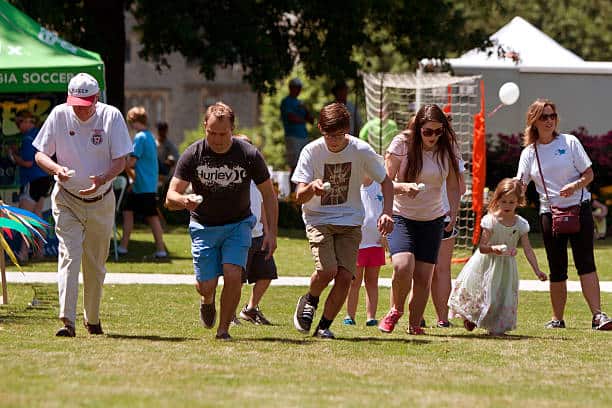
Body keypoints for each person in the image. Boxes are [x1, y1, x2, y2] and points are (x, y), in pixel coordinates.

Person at [165, 102, 278, 340]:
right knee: (206, 285)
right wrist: (185, 201)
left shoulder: (248, 155)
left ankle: (223, 329)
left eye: (223, 134)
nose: (217, 139)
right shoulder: (193, 154)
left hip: (238, 224)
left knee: (233, 273)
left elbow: (269, 194)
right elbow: (170, 197)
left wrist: (271, 233)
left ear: (232, 129)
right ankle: (207, 300)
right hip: (204, 226)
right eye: (212, 133)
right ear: (204, 126)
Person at [33, 72, 132, 337]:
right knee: (69, 256)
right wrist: (56, 170)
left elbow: (121, 161)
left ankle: (93, 318)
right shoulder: (59, 114)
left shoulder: (111, 116)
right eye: (75, 103)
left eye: (84, 104)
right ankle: (67, 321)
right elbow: (40, 154)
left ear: (96, 99)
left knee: (95, 264)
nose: (79, 109)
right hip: (66, 199)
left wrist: (102, 179)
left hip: (101, 201)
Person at [291, 102, 394, 339]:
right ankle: (310, 299)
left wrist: (387, 211)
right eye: (329, 135)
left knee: (346, 276)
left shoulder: (361, 150)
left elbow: (386, 181)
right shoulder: (311, 151)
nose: (334, 141)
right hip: (319, 218)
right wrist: (311, 188)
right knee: (327, 270)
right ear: (320, 129)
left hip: (350, 219)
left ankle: (323, 326)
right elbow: (298, 195)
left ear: (347, 130)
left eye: (339, 135)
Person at [516, 99, 612, 331]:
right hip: (551, 214)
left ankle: (598, 316)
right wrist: (505, 196)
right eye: (544, 117)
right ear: (534, 121)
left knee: (585, 263)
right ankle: (557, 319)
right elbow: (520, 183)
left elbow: (588, 174)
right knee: (556, 267)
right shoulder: (530, 153)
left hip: (580, 210)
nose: (549, 120)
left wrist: (574, 187)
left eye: (552, 116)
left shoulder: (569, 142)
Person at [379, 104, 460, 336]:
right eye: (428, 131)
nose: (433, 137)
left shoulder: (448, 149)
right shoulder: (401, 145)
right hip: (402, 216)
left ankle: (415, 325)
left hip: (433, 219)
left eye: (438, 131)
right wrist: (404, 187)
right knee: (403, 266)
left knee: (424, 277)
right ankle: (395, 309)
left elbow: (453, 185)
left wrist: (453, 213)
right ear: (417, 128)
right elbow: (385, 182)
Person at [448, 178, 547, 335]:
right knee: (482, 293)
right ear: (497, 200)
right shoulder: (491, 221)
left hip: (506, 267)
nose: (507, 205)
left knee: (501, 296)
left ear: (519, 202)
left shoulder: (521, 224)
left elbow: (528, 249)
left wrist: (537, 270)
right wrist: (494, 249)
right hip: (487, 263)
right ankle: (471, 317)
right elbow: (482, 247)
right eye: (504, 201)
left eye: (511, 202)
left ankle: (496, 326)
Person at [233, 135, 277, 326]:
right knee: (237, 280)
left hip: (259, 236)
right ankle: (230, 313)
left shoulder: (259, 179)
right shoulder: (233, 177)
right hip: (239, 236)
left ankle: (250, 309)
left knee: (267, 274)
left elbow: (263, 208)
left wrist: (268, 232)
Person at [428, 113, 467, 328]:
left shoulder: (449, 152)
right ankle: (441, 319)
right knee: (439, 269)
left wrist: (453, 212)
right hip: (438, 214)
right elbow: (461, 187)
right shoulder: (452, 152)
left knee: (426, 270)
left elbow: (459, 187)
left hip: (437, 214)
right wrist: (454, 210)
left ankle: (424, 316)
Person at [117, 106, 167, 259]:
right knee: (128, 212)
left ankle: (160, 250)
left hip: (143, 186)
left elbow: (131, 162)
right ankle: (123, 247)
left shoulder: (140, 137)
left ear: (133, 121)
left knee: (151, 217)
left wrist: (119, 161)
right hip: (144, 185)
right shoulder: (149, 136)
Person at [9, 110, 53, 261]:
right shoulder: (38, 134)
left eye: (20, 122)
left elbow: (28, 163)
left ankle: (23, 253)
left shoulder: (28, 138)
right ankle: (40, 251)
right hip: (44, 179)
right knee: (38, 215)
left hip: (33, 180)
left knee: (25, 218)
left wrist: (13, 156)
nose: (18, 125)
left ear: (29, 121)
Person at [343, 176, 385, 327]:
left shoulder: (380, 185)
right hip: (357, 244)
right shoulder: (353, 186)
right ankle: (350, 316)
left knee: (372, 281)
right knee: (354, 281)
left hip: (376, 243)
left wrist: (386, 235)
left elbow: (387, 210)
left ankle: (371, 317)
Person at [280, 78, 314, 178]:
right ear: (290, 88)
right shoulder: (286, 101)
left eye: (299, 88)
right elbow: (291, 118)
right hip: (292, 136)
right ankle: (292, 193)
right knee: (294, 166)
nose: (298, 90)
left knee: (305, 164)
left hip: (304, 136)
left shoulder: (301, 102)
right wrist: (303, 120)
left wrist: (306, 110)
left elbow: (311, 120)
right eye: (295, 87)